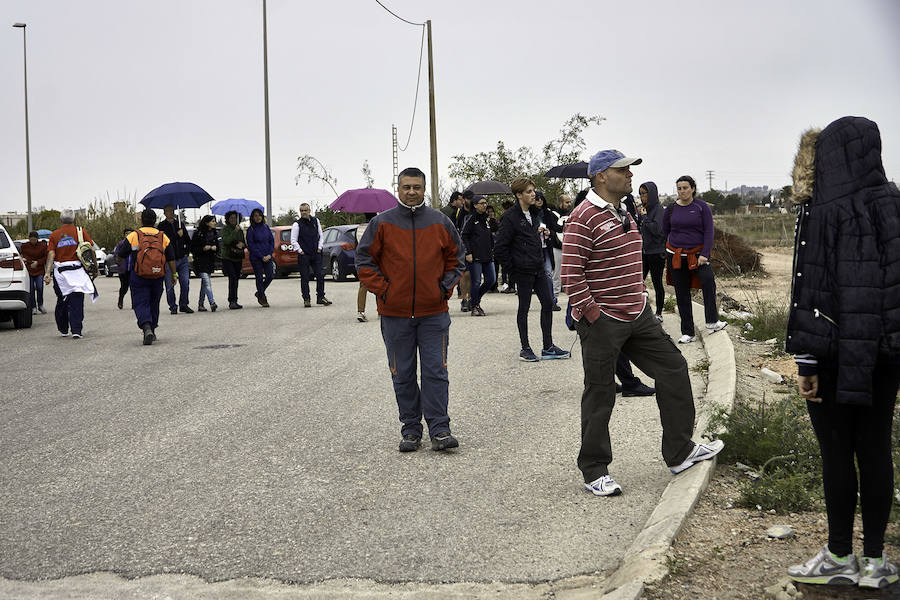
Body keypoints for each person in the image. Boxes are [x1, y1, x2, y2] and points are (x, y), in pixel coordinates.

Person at [562, 149, 723, 497]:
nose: (631, 176)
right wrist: (594, 314)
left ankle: (679, 452)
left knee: (674, 368)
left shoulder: (625, 211)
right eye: (624, 170)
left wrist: (642, 298)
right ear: (602, 176)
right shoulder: (583, 217)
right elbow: (571, 277)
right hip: (603, 320)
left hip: (638, 314)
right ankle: (594, 470)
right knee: (601, 391)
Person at [785, 116, 900, 590]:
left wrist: (807, 361)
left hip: (832, 355)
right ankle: (874, 563)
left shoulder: (822, 210)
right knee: (875, 450)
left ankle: (838, 555)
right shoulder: (895, 203)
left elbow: (811, 292)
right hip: (883, 355)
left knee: (837, 452)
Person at [355, 167, 465, 452]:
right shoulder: (381, 224)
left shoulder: (440, 222)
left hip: (433, 314)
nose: (412, 191)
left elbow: (457, 260)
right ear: (398, 189)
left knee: (435, 372)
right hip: (395, 315)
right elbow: (364, 262)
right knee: (402, 374)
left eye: (417, 187)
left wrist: (443, 288)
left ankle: (440, 429)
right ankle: (411, 429)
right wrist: (386, 291)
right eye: (407, 187)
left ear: (424, 189)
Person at [494, 177, 570, 362]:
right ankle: (525, 348)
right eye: (528, 191)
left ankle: (548, 346)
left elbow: (531, 237)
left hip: (538, 267)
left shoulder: (534, 214)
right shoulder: (510, 217)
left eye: (533, 190)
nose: (533, 194)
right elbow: (500, 248)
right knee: (524, 308)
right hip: (522, 270)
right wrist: (513, 271)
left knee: (547, 304)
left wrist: (543, 234)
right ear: (518, 195)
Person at [662, 175, 727, 343]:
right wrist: (671, 248)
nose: (682, 191)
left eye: (685, 188)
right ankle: (688, 332)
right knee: (682, 292)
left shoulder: (701, 207)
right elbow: (665, 230)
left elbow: (709, 232)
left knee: (708, 281)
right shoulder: (670, 208)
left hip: (698, 255)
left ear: (692, 188)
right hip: (676, 256)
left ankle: (712, 322)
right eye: (679, 188)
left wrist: (705, 254)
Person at [117, 209, 177, 345]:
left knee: (140, 301)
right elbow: (171, 257)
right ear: (155, 220)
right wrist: (174, 274)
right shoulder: (163, 236)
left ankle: (146, 327)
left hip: (139, 275)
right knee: (154, 302)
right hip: (158, 275)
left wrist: (120, 262)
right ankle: (153, 329)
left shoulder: (134, 235)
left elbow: (121, 253)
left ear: (141, 220)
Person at [44, 209, 97, 339]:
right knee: (77, 301)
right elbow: (90, 250)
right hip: (78, 272)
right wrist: (94, 268)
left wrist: (47, 272)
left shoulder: (54, 235)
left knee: (62, 300)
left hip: (61, 273)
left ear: (61, 220)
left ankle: (63, 328)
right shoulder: (80, 232)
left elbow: (51, 253)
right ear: (73, 220)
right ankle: (76, 330)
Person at [460, 194, 496, 316]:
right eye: (482, 203)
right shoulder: (470, 219)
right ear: (475, 205)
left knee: (491, 279)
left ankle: (475, 299)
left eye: (485, 203)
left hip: (487, 255)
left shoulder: (486, 219)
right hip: (475, 256)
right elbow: (464, 236)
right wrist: (468, 252)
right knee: (476, 281)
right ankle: (475, 306)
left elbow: (490, 235)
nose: (484, 205)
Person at [291, 203, 332, 308]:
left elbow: (321, 236)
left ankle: (321, 297)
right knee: (305, 277)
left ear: (309, 211)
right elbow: (293, 240)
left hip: (316, 253)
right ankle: (306, 299)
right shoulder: (297, 224)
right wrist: (300, 251)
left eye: (305, 210)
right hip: (304, 255)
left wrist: (319, 247)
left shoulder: (315, 221)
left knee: (320, 275)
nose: (304, 212)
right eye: (302, 210)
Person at [157, 204, 193, 314]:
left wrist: (186, 252)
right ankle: (172, 306)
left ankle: (184, 304)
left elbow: (187, 240)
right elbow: (164, 242)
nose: (170, 213)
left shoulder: (180, 224)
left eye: (172, 211)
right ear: (164, 213)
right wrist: (177, 236)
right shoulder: (161, 226)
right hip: (169, 260)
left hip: (182, 258)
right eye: (168, 211)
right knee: (169, 285)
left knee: (185, 283)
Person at [638, 182, 666, 322]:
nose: (643, 196)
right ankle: (639, 311)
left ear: (652, 194)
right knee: (638, 282)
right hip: (644, 252)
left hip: (657, 252)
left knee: (657, 282)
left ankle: (659, 313)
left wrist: (644, 218)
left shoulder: (659, 210)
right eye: (641, 193)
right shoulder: (644, 209)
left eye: (645, 193)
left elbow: (657, 230)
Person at [534, 191, 562, 311]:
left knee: (548, 273)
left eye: (541, 198)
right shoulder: (528, 214)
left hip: (546, 247)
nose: (539, 201)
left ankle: (551, 300)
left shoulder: (548, 213)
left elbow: (556, 228)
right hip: (533, 249)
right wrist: (536, 230)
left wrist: (549, 232)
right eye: (536, 198)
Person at [246, 208, 275, 307]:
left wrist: (270, 254)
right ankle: (262, 297)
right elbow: (251, 245)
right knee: (259, 277)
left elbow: (271, 241)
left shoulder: (266, 227)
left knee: (270, 275)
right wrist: (261, 256)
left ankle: (259, 292)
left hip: (268, 256)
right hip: (256, 258)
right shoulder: (251, 230)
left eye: (259, 215)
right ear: (252, 218)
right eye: (255, 215)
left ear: (262, 217)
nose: (258, 217)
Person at [190, 215, 219, 312]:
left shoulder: (214, 233)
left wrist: (215, 248)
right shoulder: (198, 233)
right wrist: (203, 248)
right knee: (207, 282)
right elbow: (193, 248)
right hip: (200, 261)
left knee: (204, 284)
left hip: (210, 261)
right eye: (212, 221)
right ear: (207, 223)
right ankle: (212, 302)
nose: (214, 223)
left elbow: (218, 247)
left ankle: (200, 304)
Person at [220, 210, 245, 309]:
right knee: (232, 278)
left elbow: (243, 241)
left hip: (237, 257)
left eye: (235, 218)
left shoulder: (240, 229)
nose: (233, 220)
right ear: (228, 219)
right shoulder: (226, 229)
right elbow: (226, 240)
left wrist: (242, 245)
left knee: (237, 278)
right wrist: (234, 231)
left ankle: (235, 299)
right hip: (228, 257)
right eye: (231, 218)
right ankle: (232, 300)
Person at [456, 191, 476, 312]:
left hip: (477, 246)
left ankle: (472, 298)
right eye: (468, 199)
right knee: (465, 274)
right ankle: (464, 299)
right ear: (463, 200)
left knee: (475, 276)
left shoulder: (476, 211)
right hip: (463, 247)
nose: (470, 201)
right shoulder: (459, 213)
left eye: (472, 198)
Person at [20, 231, 47, 314]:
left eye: (34, 240)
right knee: (31, 289)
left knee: (40, 287)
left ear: (37, 239)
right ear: (29, 239)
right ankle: (33, 307)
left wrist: (38, 262)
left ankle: (40, 305)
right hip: (29, 270)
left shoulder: (43, 246)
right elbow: (22, 257)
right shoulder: (24, 246)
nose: (33, 241)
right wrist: (30, 262)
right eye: (31, 240)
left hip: (39, 270)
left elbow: (46, 257)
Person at [112, 229, 135, 310]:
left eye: (130, 233)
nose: (128, 235)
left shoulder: (135, 243)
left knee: (134, 287)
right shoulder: (120, 244)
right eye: (126, 233)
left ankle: (134, 304)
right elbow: (115, 255)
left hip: (133, 269)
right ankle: (120, 300)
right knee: (124, 287)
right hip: (123, 270)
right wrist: (119, 263)